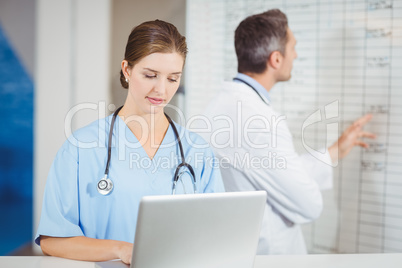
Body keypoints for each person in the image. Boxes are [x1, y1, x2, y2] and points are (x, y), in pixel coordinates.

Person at [35, 20, 224, 264]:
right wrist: (121, 250)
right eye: (150, 75)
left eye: (172, 78)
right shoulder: (82, 147)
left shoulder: (197, 150)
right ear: (126, 70)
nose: (161, 90)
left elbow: (218, 232)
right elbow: (52, 240)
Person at [199, 9, 375, 254]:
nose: (296, 54)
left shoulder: (218, 106)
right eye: (293, 47)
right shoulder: (260, 123)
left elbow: (271, 171)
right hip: (269, 254)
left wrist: (334, 151)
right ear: (276, 59)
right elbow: (309, 205)